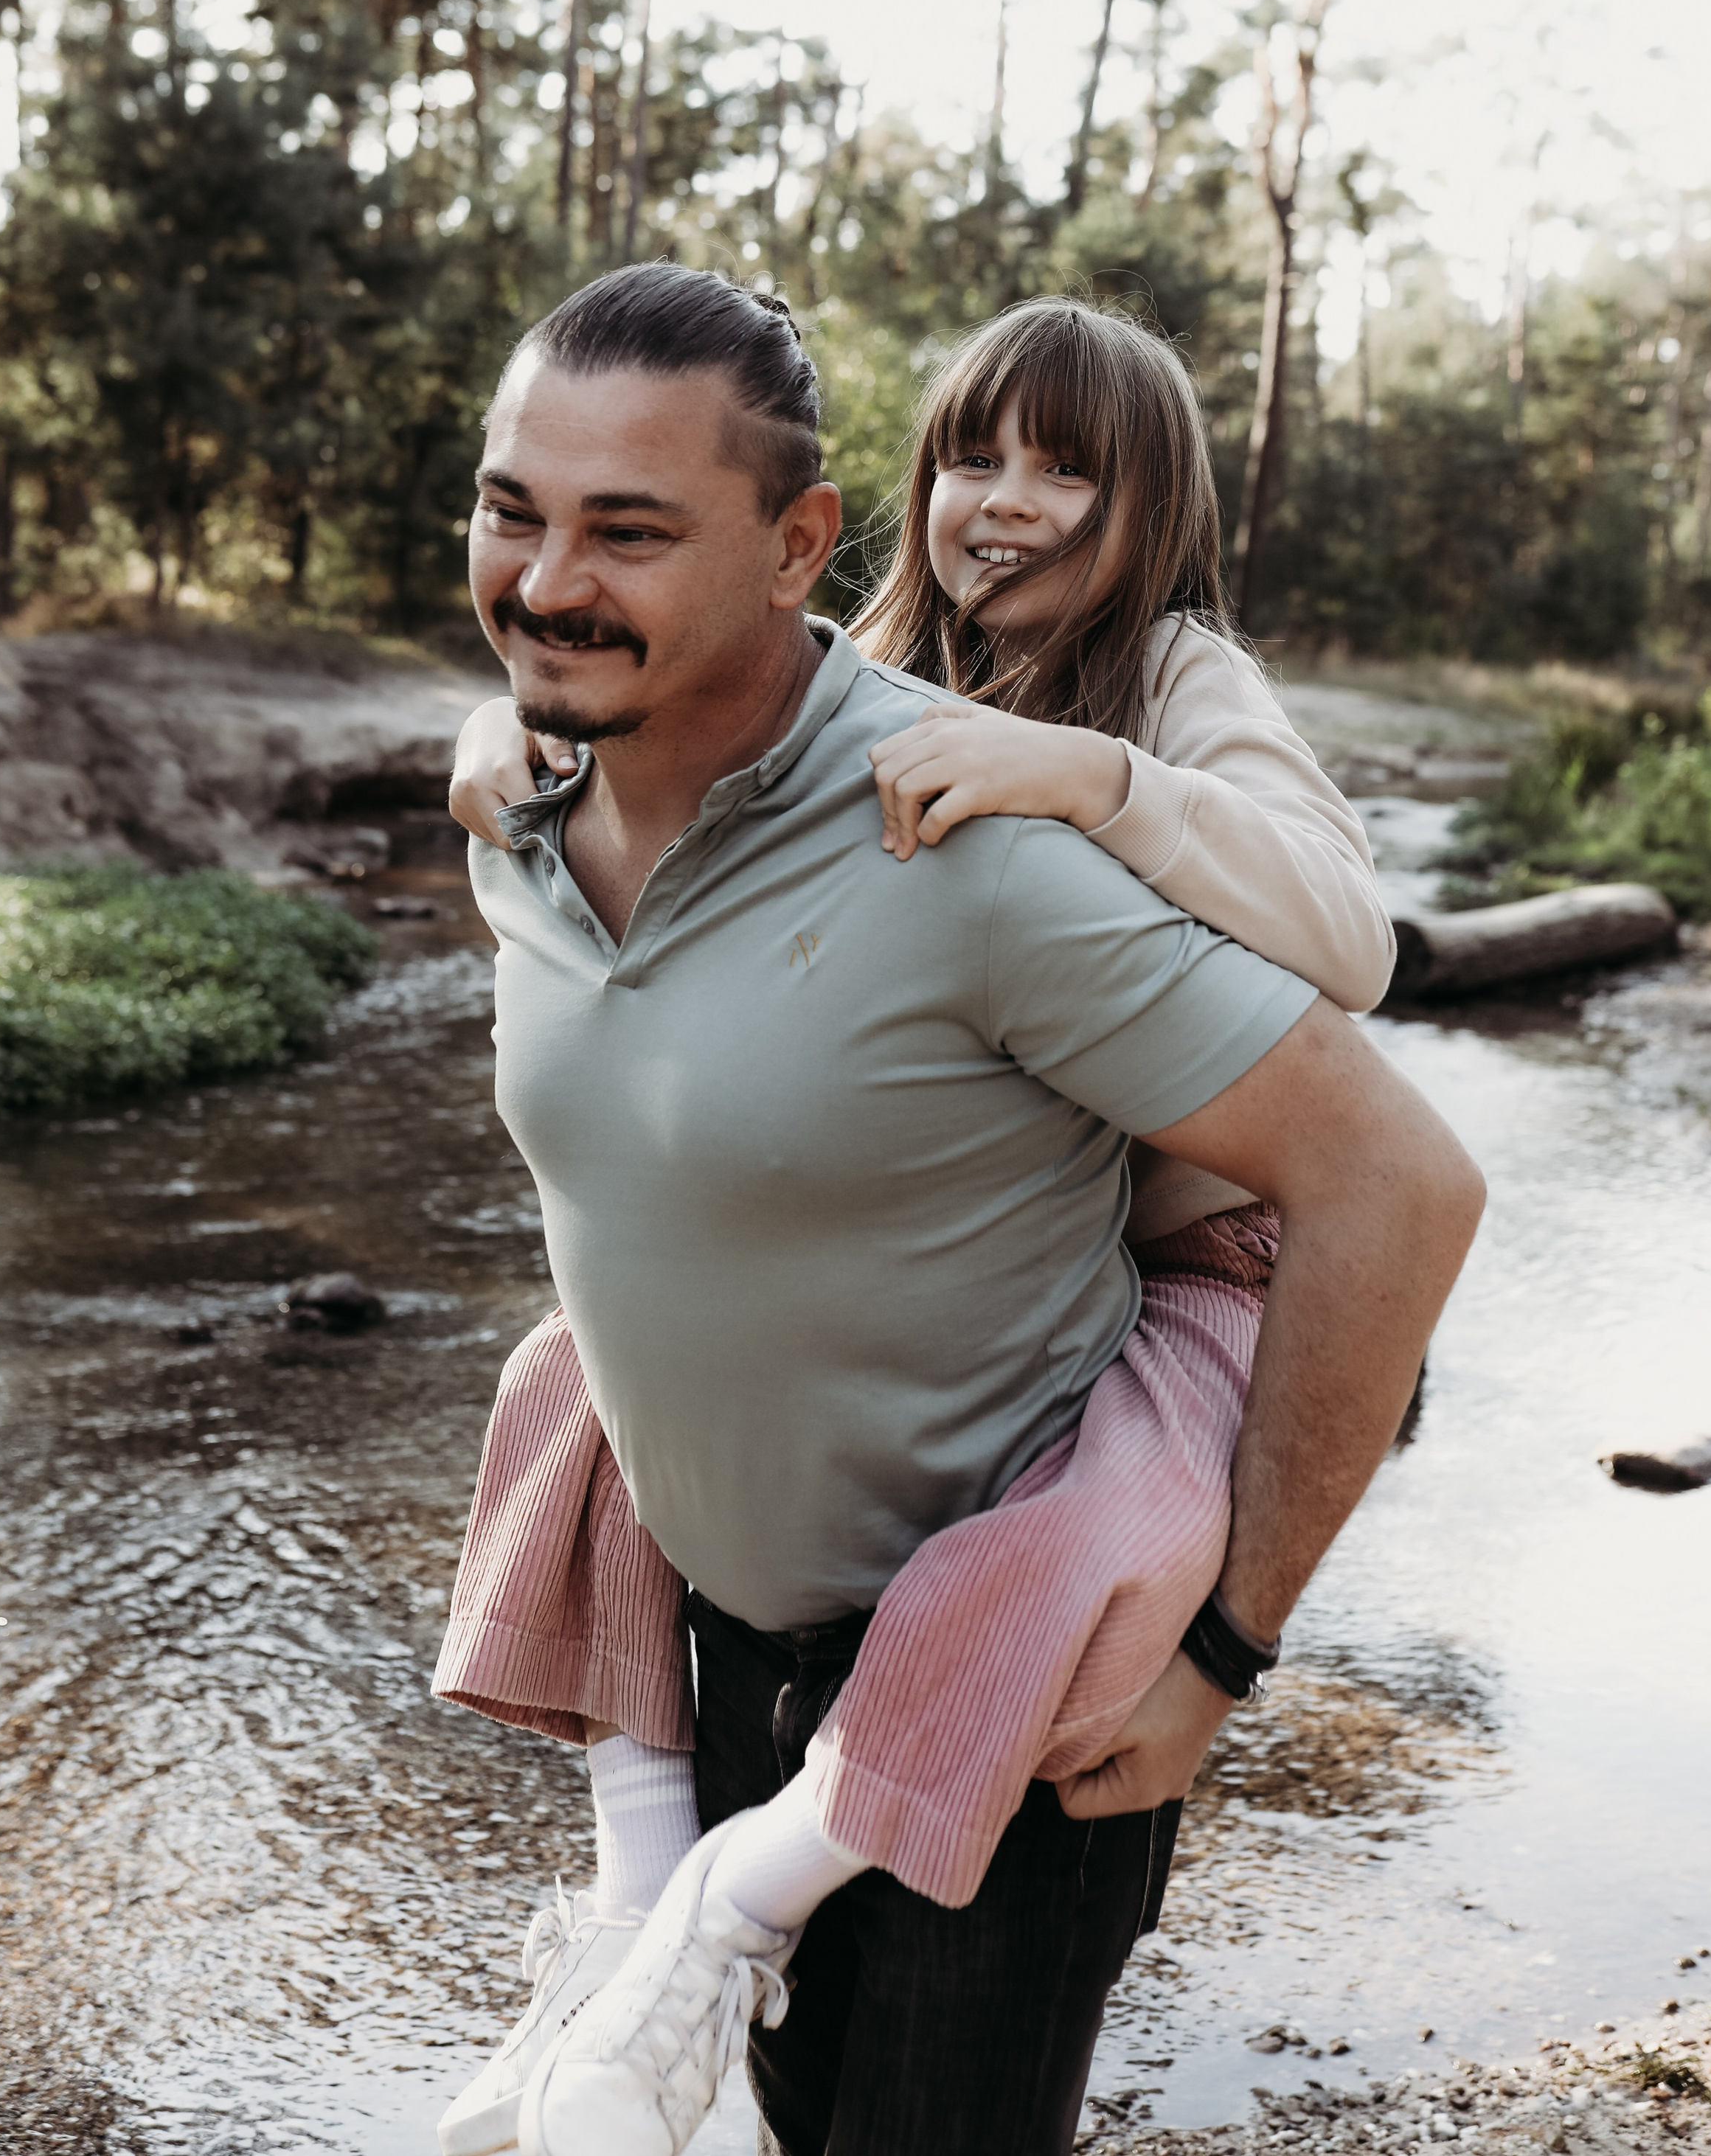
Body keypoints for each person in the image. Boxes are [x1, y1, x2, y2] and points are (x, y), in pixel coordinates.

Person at [431, 262, 1482, 2156]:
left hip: (1160, 1325)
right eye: (517, 511)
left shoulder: (1133, 721)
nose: (1005, 504)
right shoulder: (730, 721)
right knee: (562, 1375)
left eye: (631, 528)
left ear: (784, 542)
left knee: (1080, 1533)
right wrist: (500, 739)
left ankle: (701, 1898)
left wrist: (1219, 1660)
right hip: (744, 1645)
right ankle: (635, 1894)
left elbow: (1370, 1051)